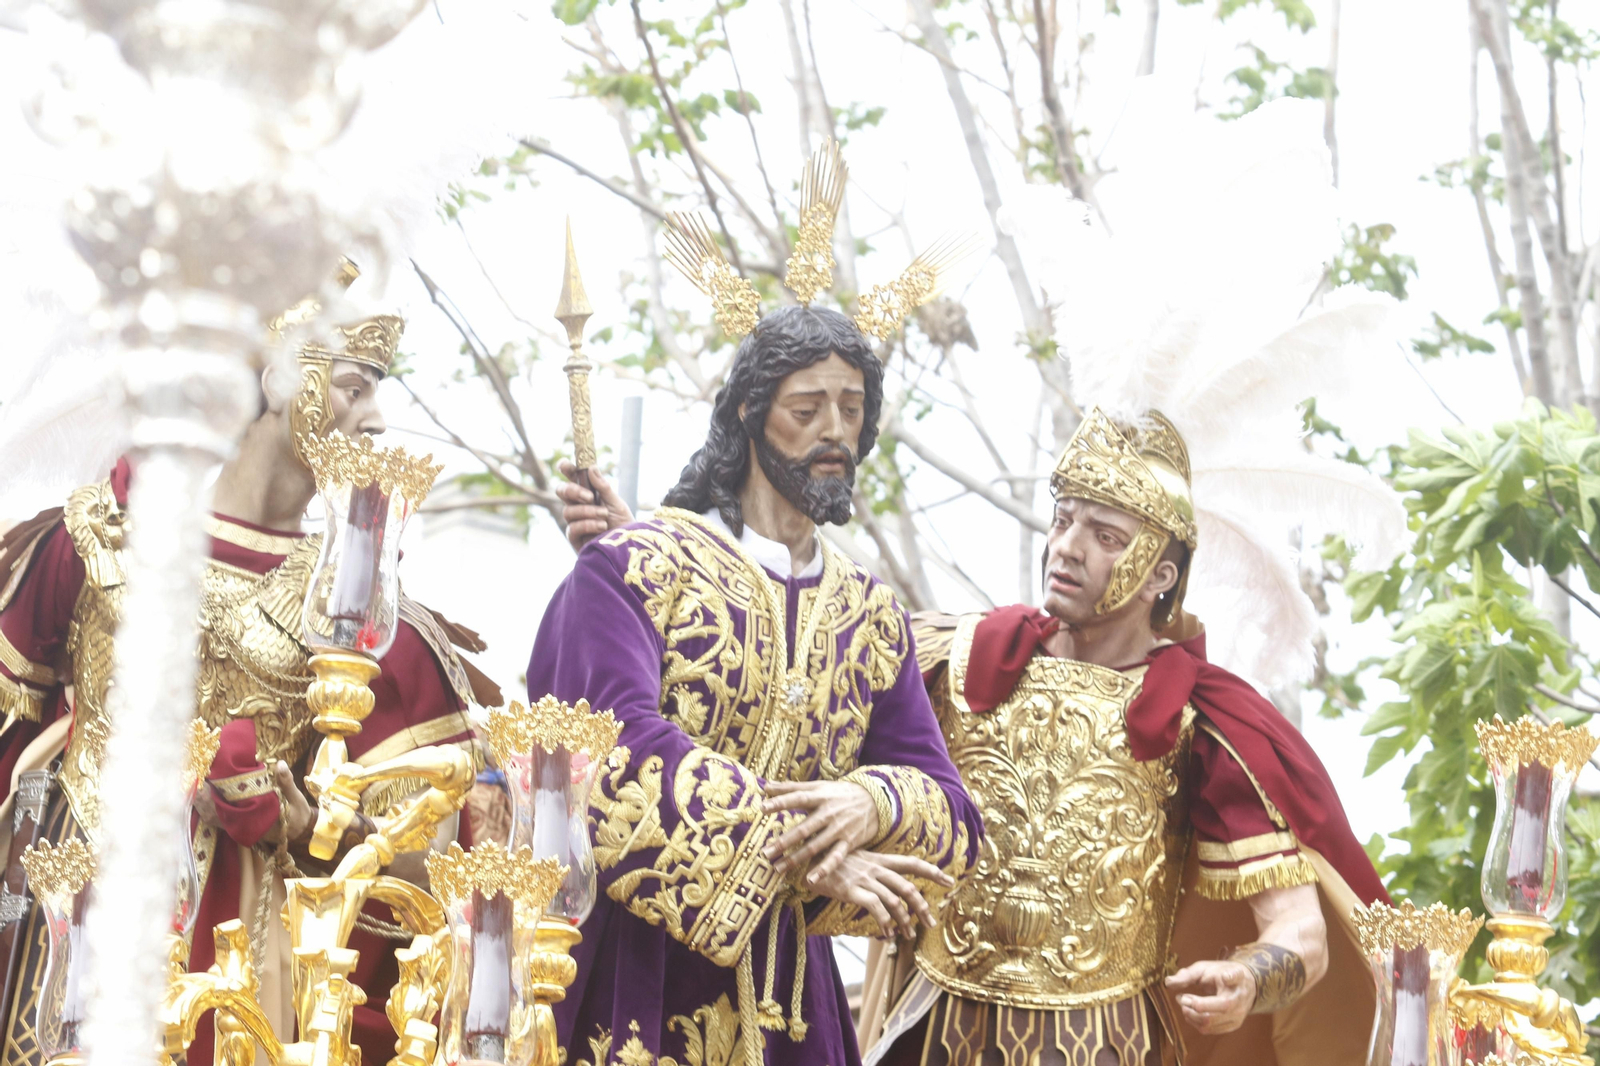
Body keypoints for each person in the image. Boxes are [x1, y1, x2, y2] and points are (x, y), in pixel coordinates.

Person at [0, 275, 499, 1066]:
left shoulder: (367, 616)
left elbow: (435, 864)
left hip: (240, 943)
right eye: (353, 385)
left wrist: (320, 829)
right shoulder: (99, 537)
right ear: (274, 371)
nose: (373, 417)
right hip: (76, 903)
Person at [855, 409, 1390, 1066]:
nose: (1068, 547)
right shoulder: (950, 662)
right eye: (1063, 520)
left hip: (1107, 1046)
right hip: (936, 1034)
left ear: (1161, 575)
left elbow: (1302, 932)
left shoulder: (1204, 724)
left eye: (1105, 535)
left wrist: (1250, 976)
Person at [529, 301, 984, 1066]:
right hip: (630, 980)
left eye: (853, 410)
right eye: (808, 409)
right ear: (748, 411)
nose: (836, 432)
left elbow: (954, 819)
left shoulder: (871, 616)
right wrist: (798, 850)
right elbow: (607, 750)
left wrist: (866, 804)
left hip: (790, 1006)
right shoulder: (636, 569)